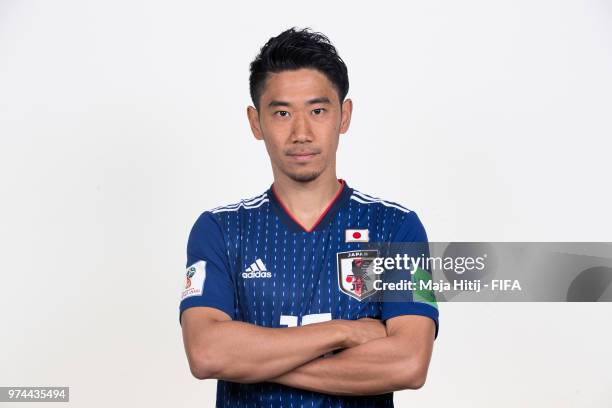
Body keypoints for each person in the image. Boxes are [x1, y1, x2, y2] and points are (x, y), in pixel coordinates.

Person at [179, 27, 439, 407]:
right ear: (256, 122)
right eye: (282, 113)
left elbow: (409, 363)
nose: (301, 132)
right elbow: (206, 354)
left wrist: (252, 360)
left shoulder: (396, 228)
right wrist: (342, 333)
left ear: (344, 116)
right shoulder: (220, 230)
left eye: (318, 111)